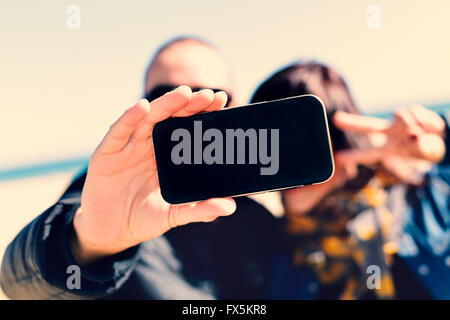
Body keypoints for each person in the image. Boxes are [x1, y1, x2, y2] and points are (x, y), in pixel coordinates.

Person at [0, 37, 282, 299]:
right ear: (148, 104)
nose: (188, 106)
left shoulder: (258, 217)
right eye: (165, 94)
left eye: (209, 94)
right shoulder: (116, 190)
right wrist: (89, 241)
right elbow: (18, 282)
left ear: (237, 106)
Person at [250, 61, 450, 299]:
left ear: (342, 138)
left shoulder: (432, 203)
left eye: (301, 141)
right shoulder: (263, 245)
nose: (284, 161)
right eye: (267, 144)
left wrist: (445, 144)